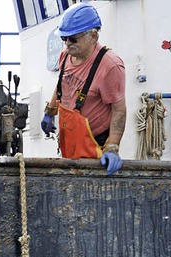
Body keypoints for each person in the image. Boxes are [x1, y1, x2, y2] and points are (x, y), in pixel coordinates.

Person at [41, 3, 126, 175]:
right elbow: (61, 85)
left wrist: (112, 147)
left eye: (73, 39)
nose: (67, 44)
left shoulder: (110, 66)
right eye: (64, 39)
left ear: (93, 36)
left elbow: (119, 110)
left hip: (93, 144)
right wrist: (50, 112)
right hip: (70, 139)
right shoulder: (66, 55)